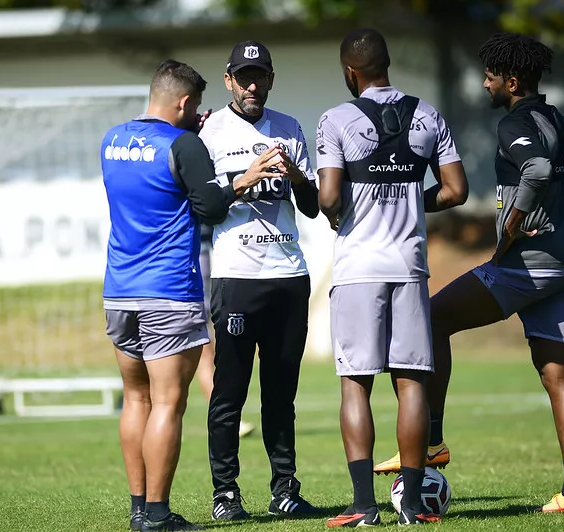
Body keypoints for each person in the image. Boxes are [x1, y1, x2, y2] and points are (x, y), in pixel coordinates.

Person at [375, 32, 564, 514]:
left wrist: (510, 227)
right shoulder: (559, 120)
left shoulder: (516, 123)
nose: (484, 85)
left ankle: (431, 442)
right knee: (559, 374)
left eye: (489, 77)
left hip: (524, 268)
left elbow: (539, 170)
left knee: (431, 318)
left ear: (511, 80)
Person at [101, 59, 272, 532]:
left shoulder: (111, 140)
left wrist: (185, 136)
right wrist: (243, 177)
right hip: (168, 291)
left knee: (135, 399)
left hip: (119, 291)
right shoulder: (185, 144)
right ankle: (157, 514)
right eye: (194, 107)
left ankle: (138, 509)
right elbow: (212, 207)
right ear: (184, 103)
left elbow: (157, 174)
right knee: (168, 404)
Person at [317, 29, 469, 527]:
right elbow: (455, 190)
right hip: (409, 267)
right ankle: (411, 505)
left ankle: (364, 506)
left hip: (359, 269)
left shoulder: (336, 118)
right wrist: (410, 202)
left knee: (355, 385)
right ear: (387, 65)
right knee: (411, 385)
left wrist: (342, 207)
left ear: (350, 73)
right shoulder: (428, 115)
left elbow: (328, 199)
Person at [199, 40, 321, 522]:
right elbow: (203, 207)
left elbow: (313, 208)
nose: (252, 85)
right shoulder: (210, 133)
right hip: (236, 279)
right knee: (229, 392)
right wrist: (242, 180)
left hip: (288, 277)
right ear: (228, 80)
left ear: (271, 79)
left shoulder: (290, 128)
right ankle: (225, 494)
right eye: (243, 76)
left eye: (261, 75)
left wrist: (296, 176)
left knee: (281, 394)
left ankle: (284, 489)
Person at [194, 224, 256, 439]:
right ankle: (226, 421)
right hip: (189, 279)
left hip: (206, 271)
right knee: (203, 354)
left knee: (207, 355)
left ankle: (226, 419)